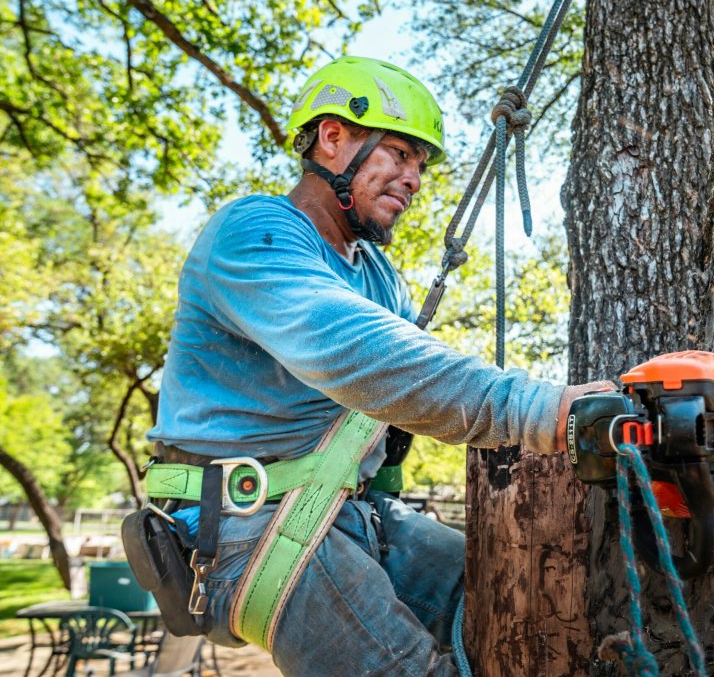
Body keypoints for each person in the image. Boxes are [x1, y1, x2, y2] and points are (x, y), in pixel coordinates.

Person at [145, 56, 605, 675]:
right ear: (333, 137)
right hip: (242, 527)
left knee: (532, 599)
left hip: (349, 513)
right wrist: (546, 410)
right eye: (400, 153)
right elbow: (366, 357)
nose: (413, 179)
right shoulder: (254, 233)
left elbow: (406, 391)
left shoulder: (380, 277)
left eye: (420, 166)